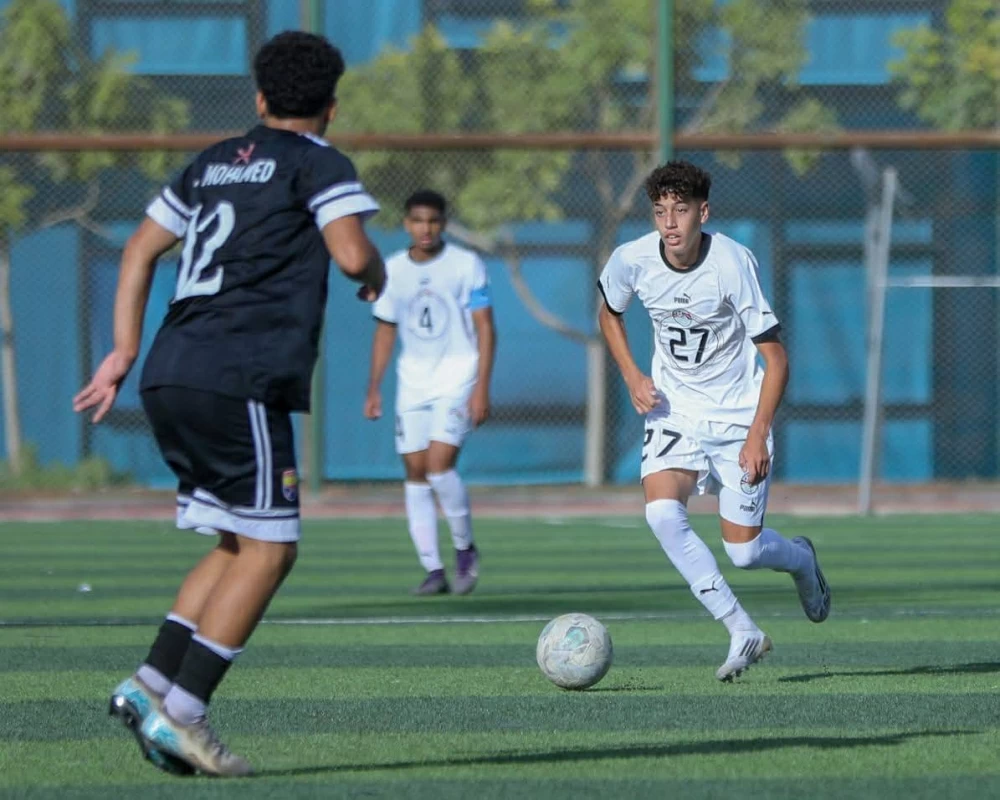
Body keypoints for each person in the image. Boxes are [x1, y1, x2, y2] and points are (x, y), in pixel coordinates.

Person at [72, 31, 385, 776]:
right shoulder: (318, 161)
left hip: (170, 369)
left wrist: (122, 351)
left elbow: (139, 248)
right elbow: (349, 253)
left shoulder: (211, 162)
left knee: (236, 541)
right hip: (240, 372)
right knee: (272, 548)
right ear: (332, 106)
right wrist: (376, 271)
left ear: (259, 97)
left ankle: (151, 683)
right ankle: (184, 714)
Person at [597, 160, 831, 682]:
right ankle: (741, 628)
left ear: (703, 212)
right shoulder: (632, 259)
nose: (670, 223)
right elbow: (609, 312)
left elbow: (777, 359)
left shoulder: (730, 263)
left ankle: (800, 559)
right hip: (674, 411)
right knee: (662, 515)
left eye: (680, 210)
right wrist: (632, 375)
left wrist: (757, 435)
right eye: (660, 211)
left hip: (737, 418)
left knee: (744, 552)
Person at [364, 190, 496, 596]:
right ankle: (433, 569)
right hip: (412, 383)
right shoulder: (392, 270)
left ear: (444, 224)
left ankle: (464, 549)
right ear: (407, 224)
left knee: (439, 466)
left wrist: (481, 387)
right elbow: (385, 331)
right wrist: (374, 387)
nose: (426, 228)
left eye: (434, 221)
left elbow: (485, 327)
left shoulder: (465, 264)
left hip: (457, 376)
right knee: (416, 473)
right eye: (418, 221)